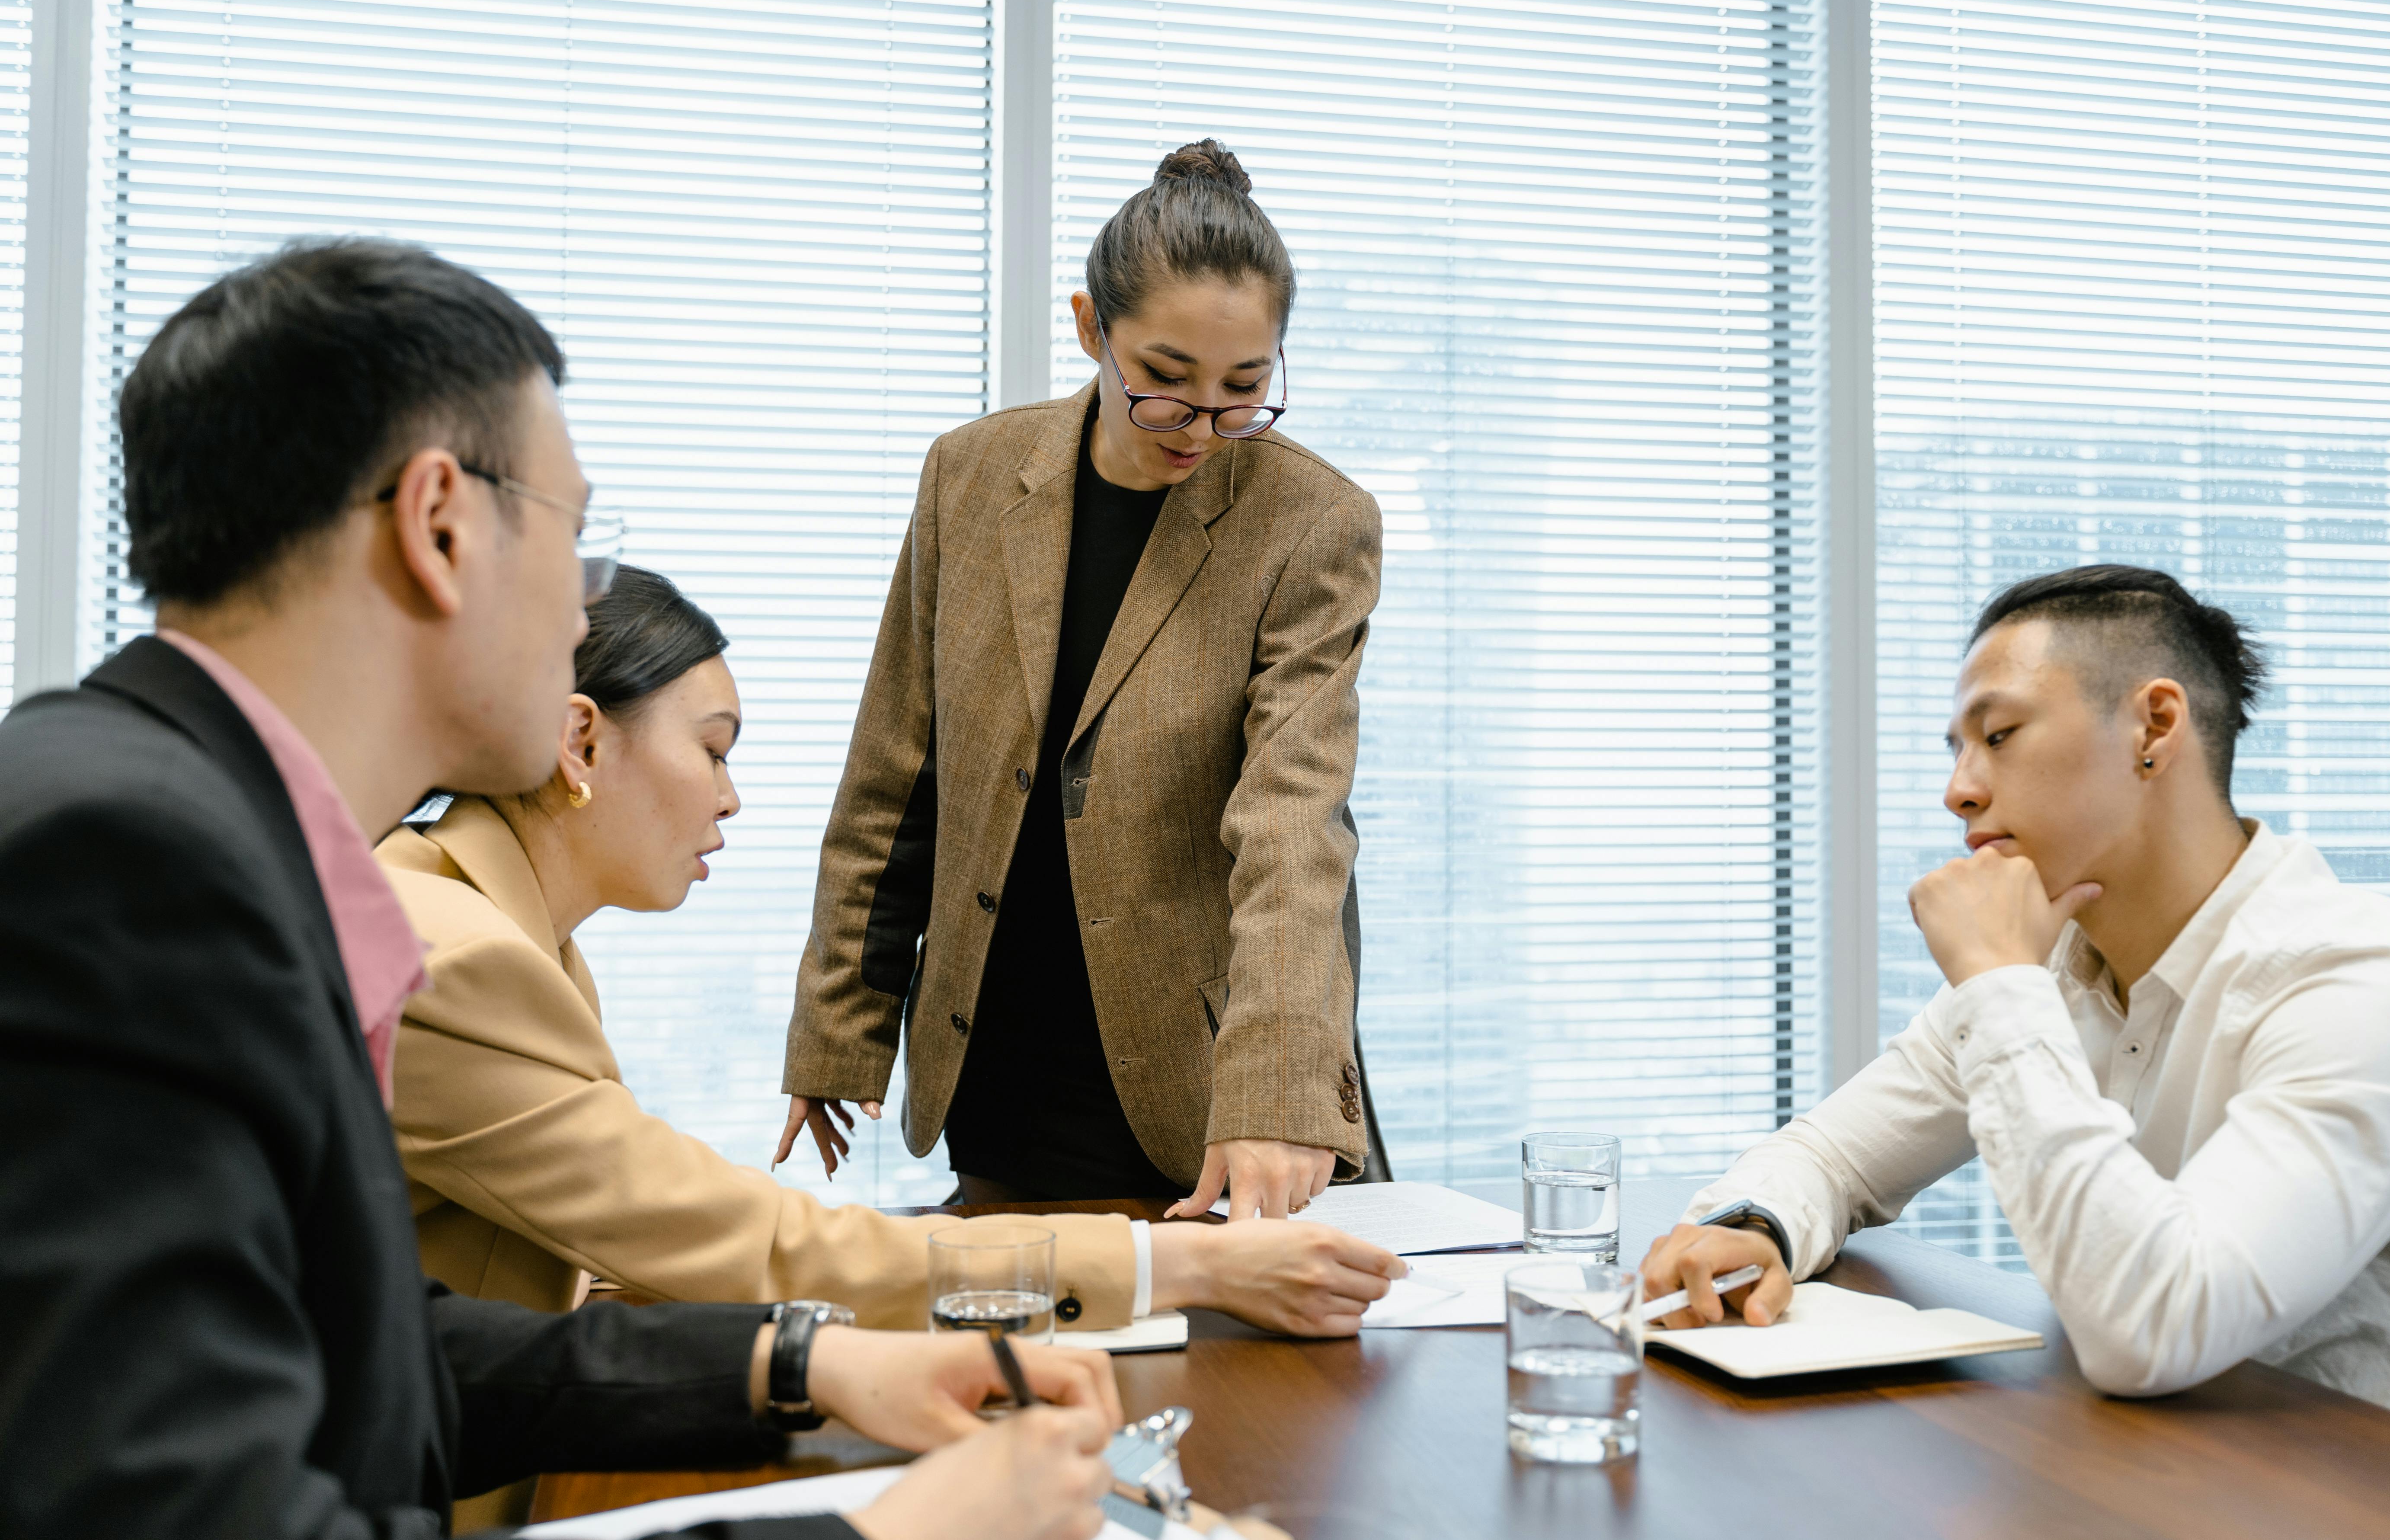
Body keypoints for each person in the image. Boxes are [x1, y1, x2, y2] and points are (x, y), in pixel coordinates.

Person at [0, 237, 1119, 1540]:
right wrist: (889, 1534)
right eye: (577, 540)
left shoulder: (196, 826)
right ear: (438, 525)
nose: (584, 604)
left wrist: (798, 1362)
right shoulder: (129, 867)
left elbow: (346, 1347)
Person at [381, 564, 1405, 1342]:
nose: (730, 796)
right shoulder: (456, 957)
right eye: (713, 749)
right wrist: (1185, 1265)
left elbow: (609, 1249)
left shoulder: (489, 920)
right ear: (581, 741)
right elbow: (757, 1244)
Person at [1638, 564, 2390, 1441]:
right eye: (1957, 749)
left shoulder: (2368, 985)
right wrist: (1755, 1226)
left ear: (2155, 725)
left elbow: (2154, 1328)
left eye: (1999, 734)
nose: (1959, 790)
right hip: (2156, 1472)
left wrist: (1999, 987)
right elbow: (1831, 1156)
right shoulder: (2049, 964)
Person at [778, 139, 1388, 1223]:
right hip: (1002, 1067)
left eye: (1244, 390)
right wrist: (839, 1031)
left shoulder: (1311, 523)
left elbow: (1295, 820)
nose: (1203, 426)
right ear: (1089, 328)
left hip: (1212, 1105)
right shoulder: (968, 479)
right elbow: (895, 777)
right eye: (1164, 383)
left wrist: (1279, 1087)